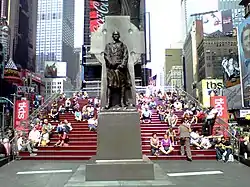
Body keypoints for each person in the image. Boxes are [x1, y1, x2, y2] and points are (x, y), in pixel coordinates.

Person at [104, 31, 132, 109]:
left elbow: (125, 56)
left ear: (119, 36)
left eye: (117, 35)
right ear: (112, 36)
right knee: (110, 86)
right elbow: (106, 55)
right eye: (114, 35)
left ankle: (122, 102)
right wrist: (111, 63)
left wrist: (122, 65)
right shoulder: (108, 46)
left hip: (120, 68)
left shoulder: (123, 46)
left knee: (122, 85)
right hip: (111, 69)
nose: (116, 36)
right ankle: (108, 102)